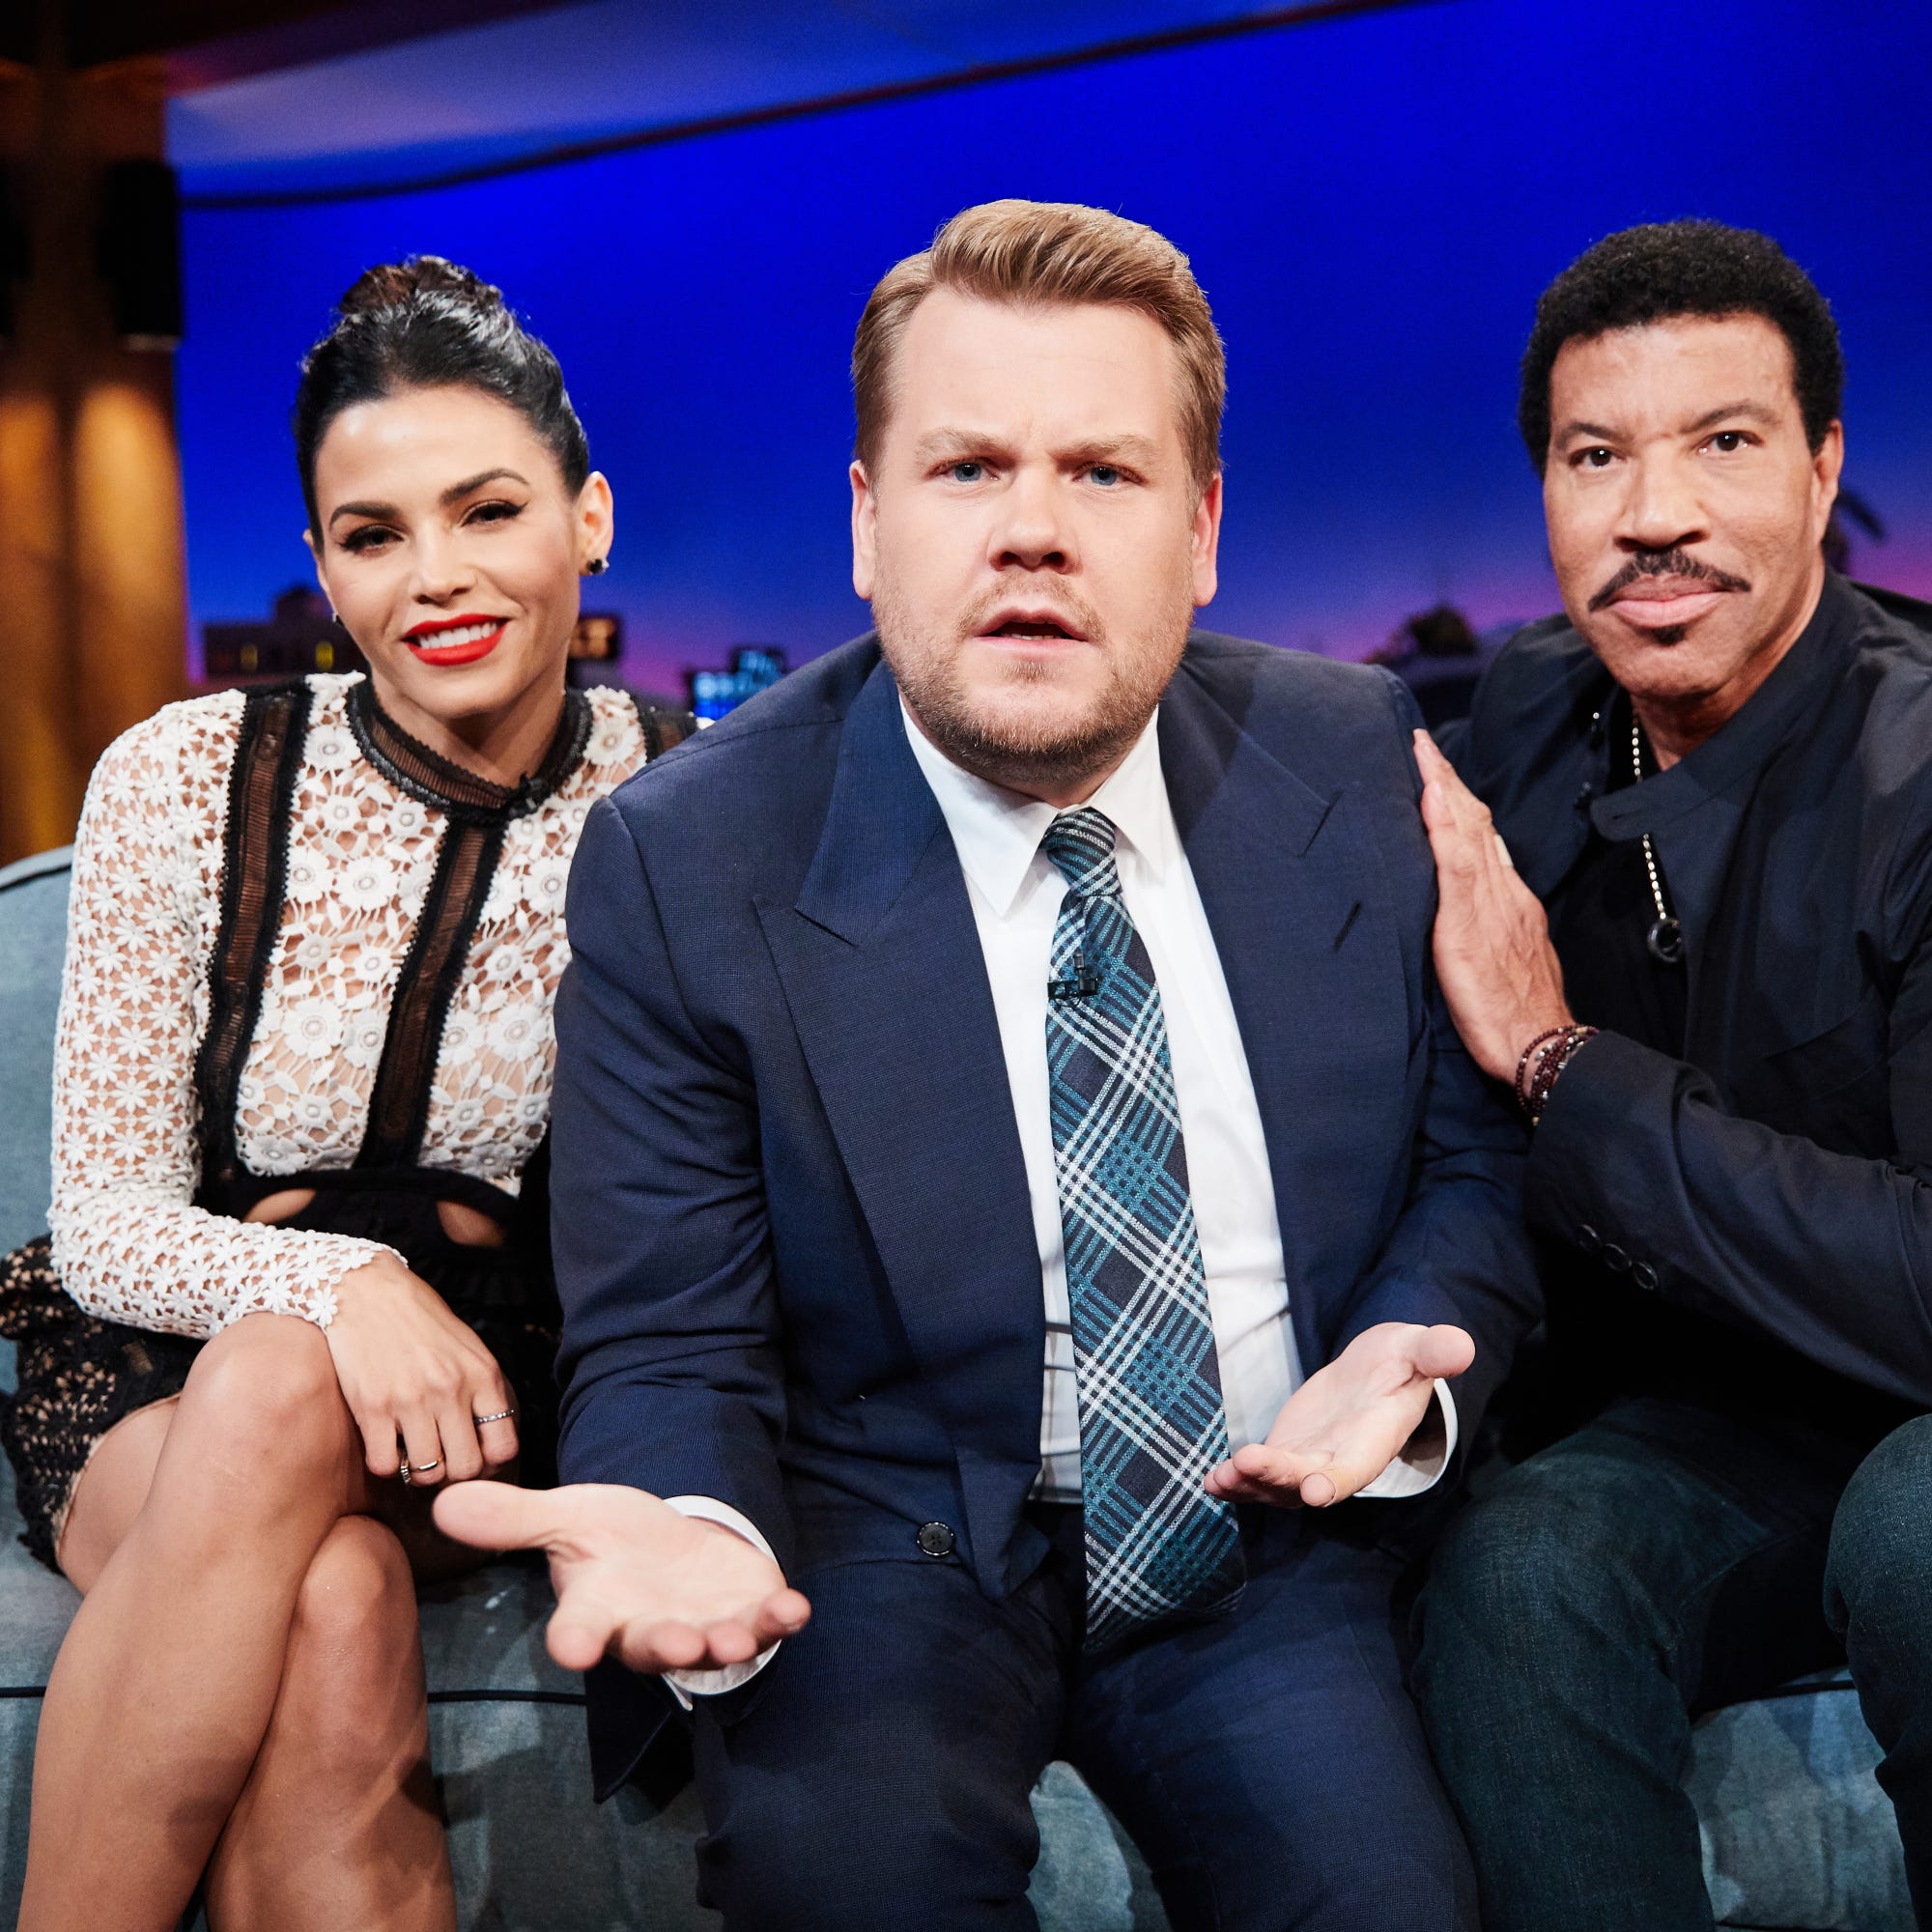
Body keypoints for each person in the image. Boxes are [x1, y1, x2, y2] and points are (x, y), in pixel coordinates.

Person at [438, 198, 1540, 1932]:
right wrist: (695, 1524)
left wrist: (1415, 1347)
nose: (1033, 530)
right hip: (886, 1535)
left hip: (1266, 1531)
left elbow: (1472, 1170)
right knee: (845, 1881)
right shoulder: (691, 855)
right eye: (967, 471)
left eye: (1103, 474)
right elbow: (667, 1329)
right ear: (869, 525)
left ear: (1202, 528)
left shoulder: (1359, 756)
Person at [0, 256, 689, 1931]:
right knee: (326, 1565)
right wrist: (338, 1283)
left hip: (484, 1394)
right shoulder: (182, 778)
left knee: (314, 1467)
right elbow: (98, 1220)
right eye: (373, 535)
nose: (433, 576)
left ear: (588, 517)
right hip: (162, 1373)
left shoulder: (687, 796)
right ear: (321, 565)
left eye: (488, 509)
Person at [1404, 219, 1932, 1929]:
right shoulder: (1532, 723)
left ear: (1823, 465)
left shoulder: (1917, 766)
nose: (1655, 516)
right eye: (1595, 456)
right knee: (1520, 1567)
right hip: (1706, 1427)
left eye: (1723, 444)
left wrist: (1566, 1065)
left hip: (1921, 1413)